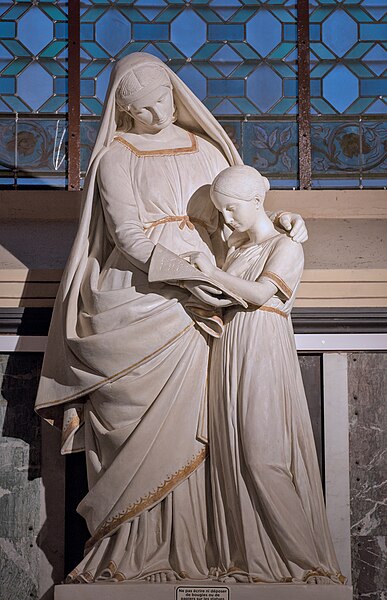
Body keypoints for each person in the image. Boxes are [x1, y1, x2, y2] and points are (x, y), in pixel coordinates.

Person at [35, 53, 308, 583]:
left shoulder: (206, 148)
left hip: (204, 303)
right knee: (134, 428)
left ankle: (198, 552)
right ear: (124, 110)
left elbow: (238, 215)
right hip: (142, 294)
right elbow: (128, 238)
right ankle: (130, 554)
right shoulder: (115, 158)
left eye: (162, 102)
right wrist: (186, 273)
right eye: (141, 110)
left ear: (175, 95)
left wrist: (280, 223)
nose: (156, 116)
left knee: (201, 426)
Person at [187, 165, 345, 585]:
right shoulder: (237, 251)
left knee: (262, 455)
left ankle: (309, 561)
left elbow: (259, 294)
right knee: (231, 454)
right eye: (221, 212)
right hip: (229, 347)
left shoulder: (287, 247)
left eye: (232, 209)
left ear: (256, 201)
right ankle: (249, 560)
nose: (227, 220)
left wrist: (209, 271)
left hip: (262, 343)